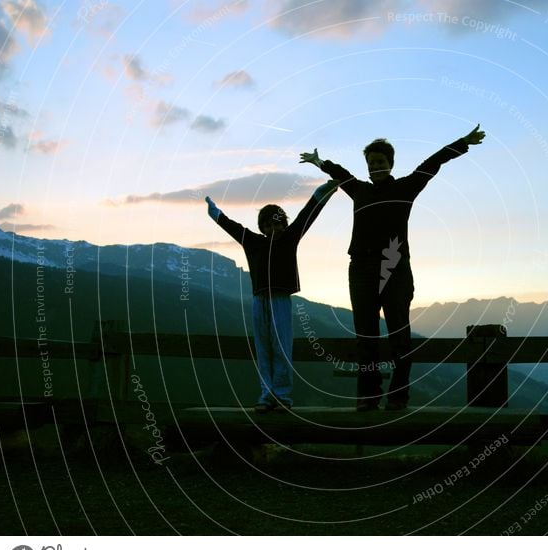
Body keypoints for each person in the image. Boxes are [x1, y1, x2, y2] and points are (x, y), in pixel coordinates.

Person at [300, 125, 485, 411]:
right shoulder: (359, 189)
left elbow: (432, 164)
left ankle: (398, 396)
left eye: (381, 162)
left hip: (395, 269)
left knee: (399, 334)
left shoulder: (405, 188)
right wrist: (319, 162)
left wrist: (463, 143)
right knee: (366, 336)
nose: (376, 167)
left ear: (391, 164)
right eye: (371, 163)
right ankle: (368, 395)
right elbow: (341, 174)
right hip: (361, 268)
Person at [205, 180, 339, 413]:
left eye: (276, 224)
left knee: (281, 347)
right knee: (263, 348)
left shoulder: (290, 237)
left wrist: (323, 192)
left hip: (280, 300)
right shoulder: (253, 242)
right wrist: (214, 213)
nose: (272, 229)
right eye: (267, 225)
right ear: (261, 227)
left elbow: (309, 213)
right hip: (259, 301)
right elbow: (232, 227)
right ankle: (266, 396)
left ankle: (283, 396)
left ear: (284, 224)